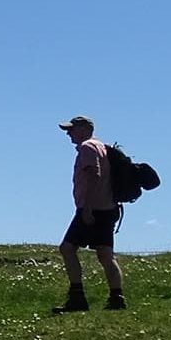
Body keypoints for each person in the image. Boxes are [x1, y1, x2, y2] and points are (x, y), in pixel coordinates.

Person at [55, 115, 125, 312]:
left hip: (92, 209)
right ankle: (116, 298)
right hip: (109, 208)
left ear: (85, 129)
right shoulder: (102, 146)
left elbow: (94, 174)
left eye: (72, 129)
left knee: (67, 248)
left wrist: (87, 207)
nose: (69, 133)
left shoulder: (87, 148)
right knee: (105, 254)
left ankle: (77, 298)